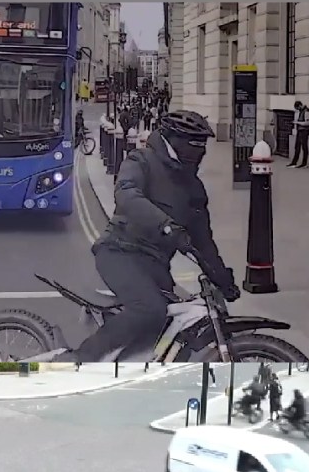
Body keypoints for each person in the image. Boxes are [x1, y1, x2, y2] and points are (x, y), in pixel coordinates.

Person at [63, 111, 239, 362]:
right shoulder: (141, 160)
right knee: (149, 310)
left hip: (155, 264)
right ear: (174, 140)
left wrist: (222, 279)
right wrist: (165, 226)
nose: (199, 151)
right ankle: (80, 359)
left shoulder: (193, 187)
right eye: (193, 144)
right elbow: (126, 194)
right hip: (120, 253)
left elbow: (203, 242)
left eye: (202, 145)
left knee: (170, 326)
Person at [287, 101, 309, 168]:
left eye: (297, 108)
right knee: (297, 147)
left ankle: (304, 163)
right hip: (300, 131)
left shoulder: (306, 112)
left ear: (299, 106)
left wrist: (297, 122)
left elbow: (306, 123)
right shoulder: (302, 111)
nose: (297, 110)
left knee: (304, 147)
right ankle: (294, 162)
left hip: (304, 131)